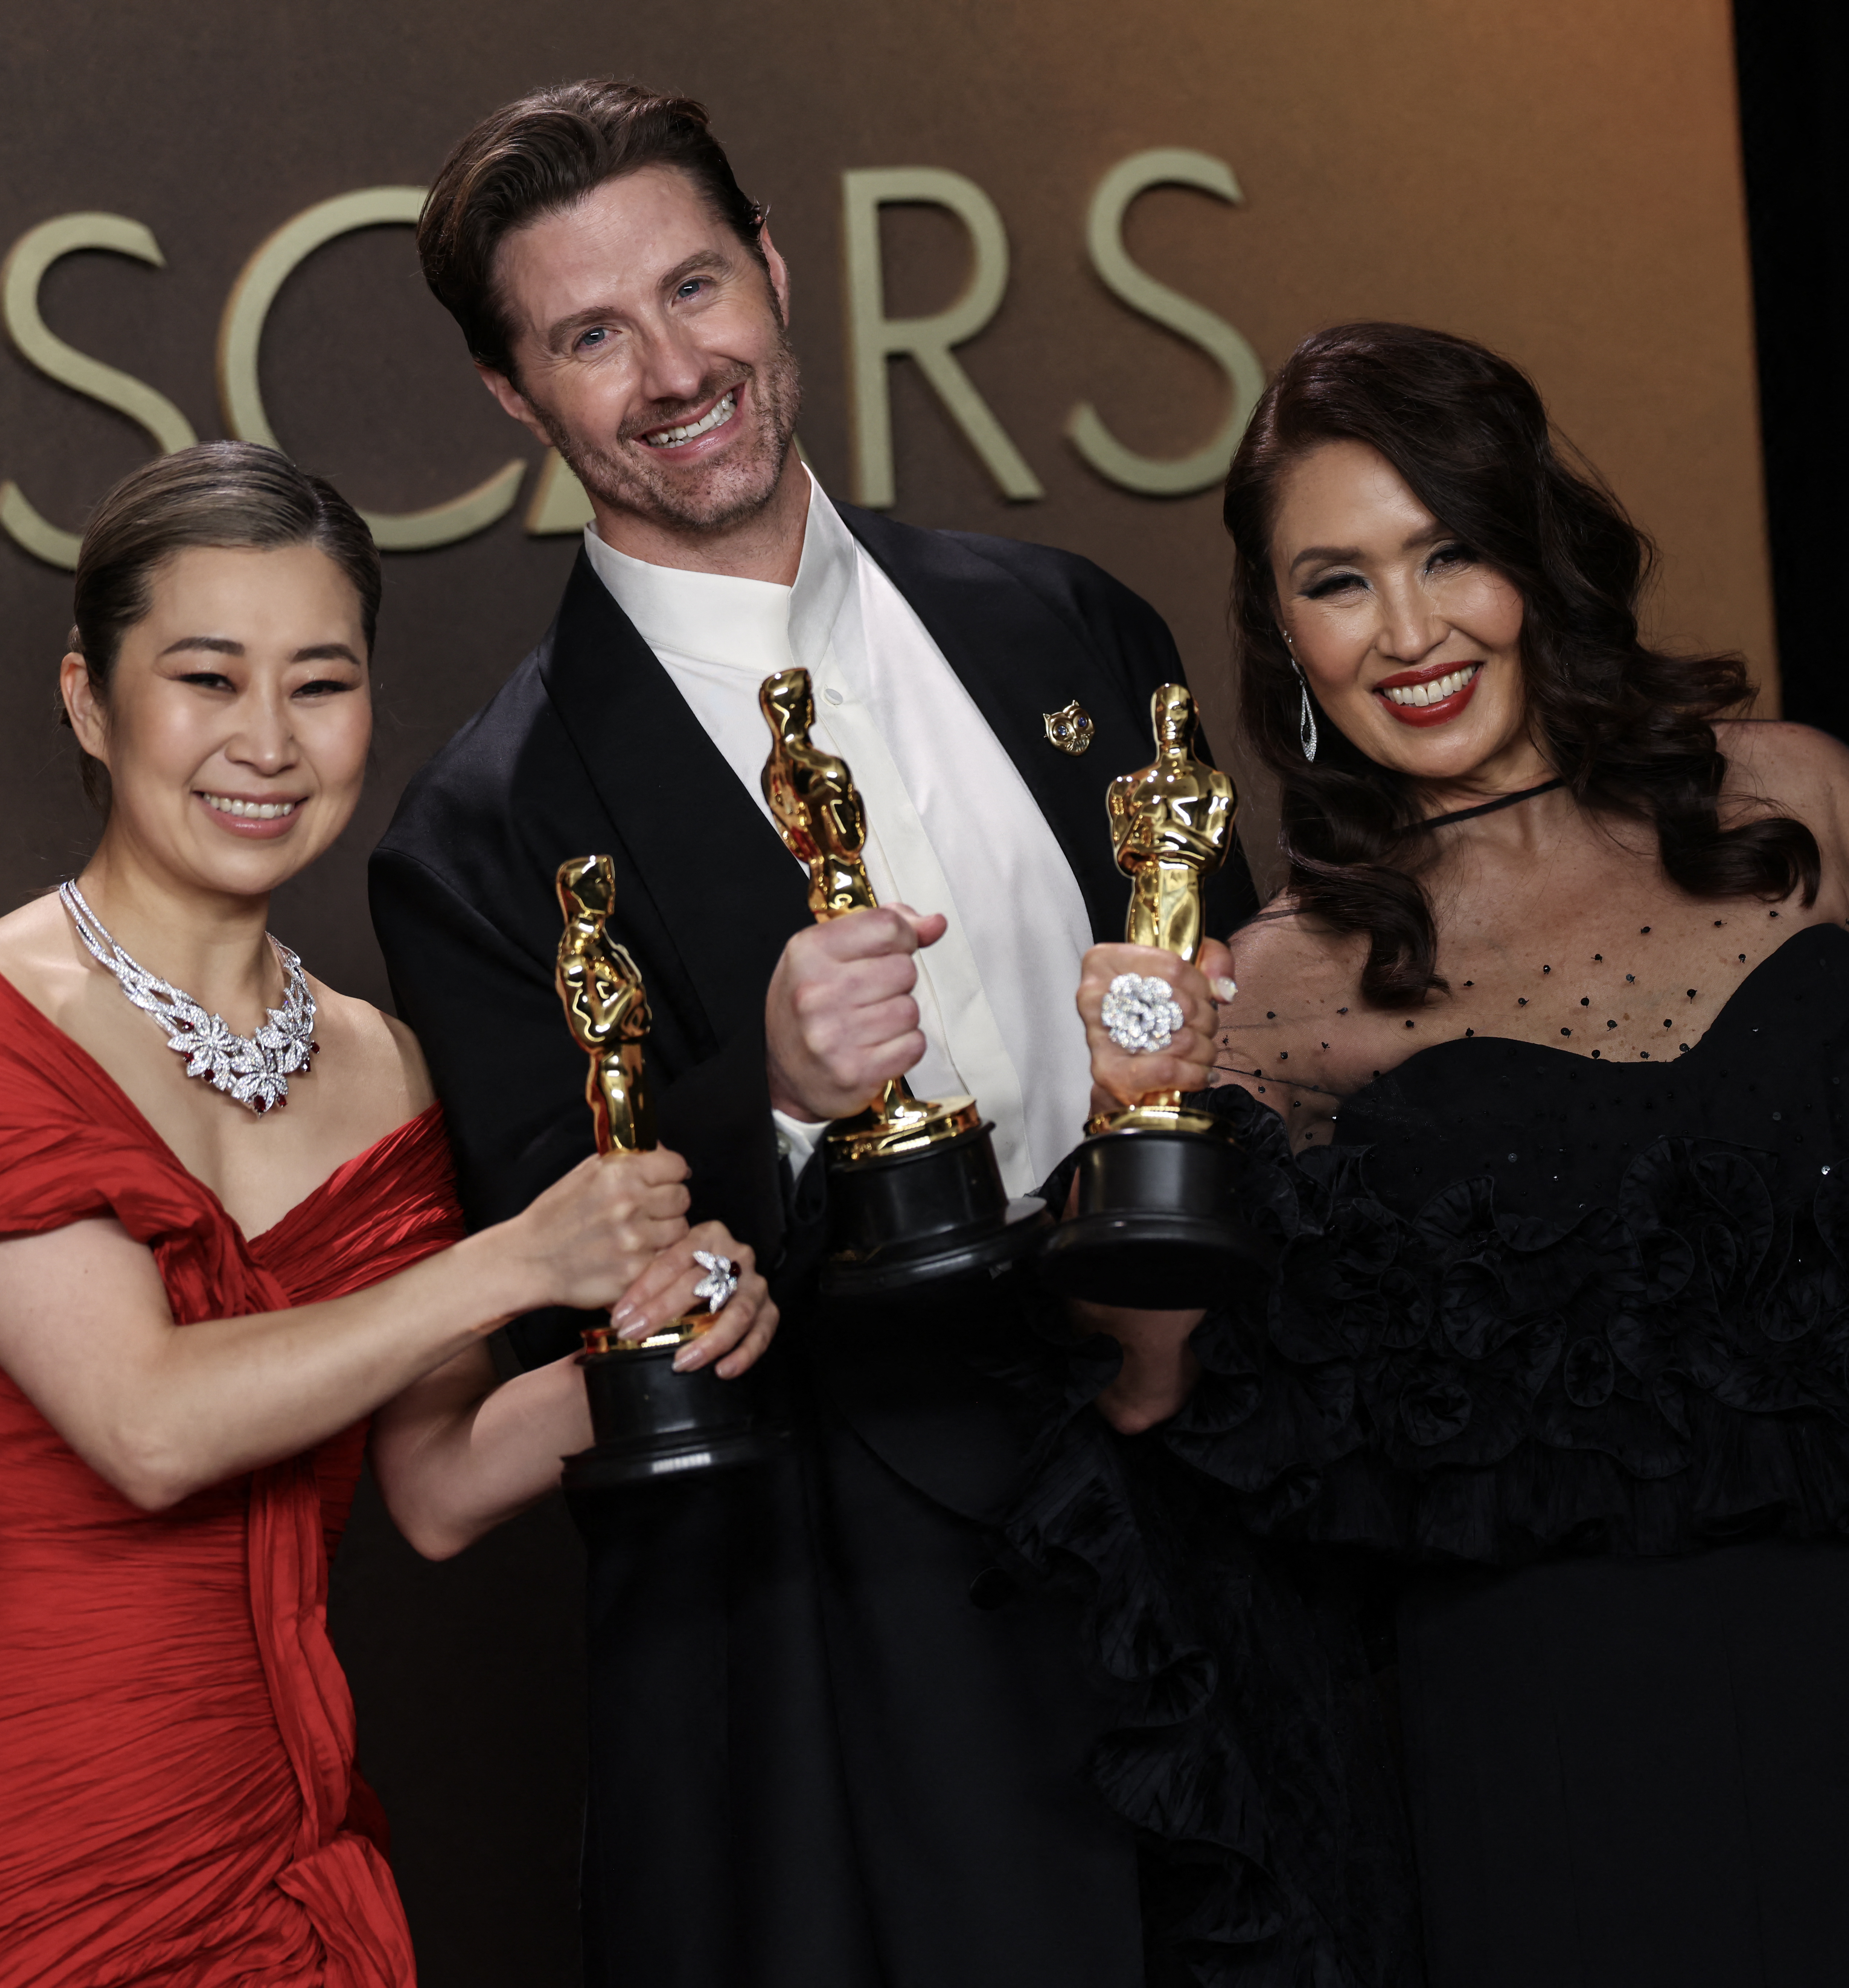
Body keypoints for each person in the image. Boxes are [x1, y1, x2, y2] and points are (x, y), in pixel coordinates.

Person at [1047, 323, 1849, 1987]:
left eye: (1445, 551)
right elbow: (1152, 1401)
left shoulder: (1793, 806)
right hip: (1556, 1790)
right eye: (1337, 580)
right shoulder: (1275, 984)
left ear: (1531, 554)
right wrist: (1136, 1107)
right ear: (1281, 631)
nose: (1405, 632)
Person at [369, 80, 1259, 1988]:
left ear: (777, 275)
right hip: (837, 1621)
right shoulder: (481, 832)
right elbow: (555, 1273)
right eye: (591, 334)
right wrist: (762, 1097)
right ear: (515, 399)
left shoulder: (1066, 626)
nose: (675, 366)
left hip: (1206, 1515)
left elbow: (1247, 1012)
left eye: (697, 288)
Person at [0, 443, 776, 1988]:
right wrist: (519, 1260)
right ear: (92, 704)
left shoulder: (385, 1064)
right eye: (206, 678)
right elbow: (149, 1426)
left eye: (319, 682)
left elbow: (433, 1486)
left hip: (269, 1849)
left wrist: (645, 1351)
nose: (267, 741)